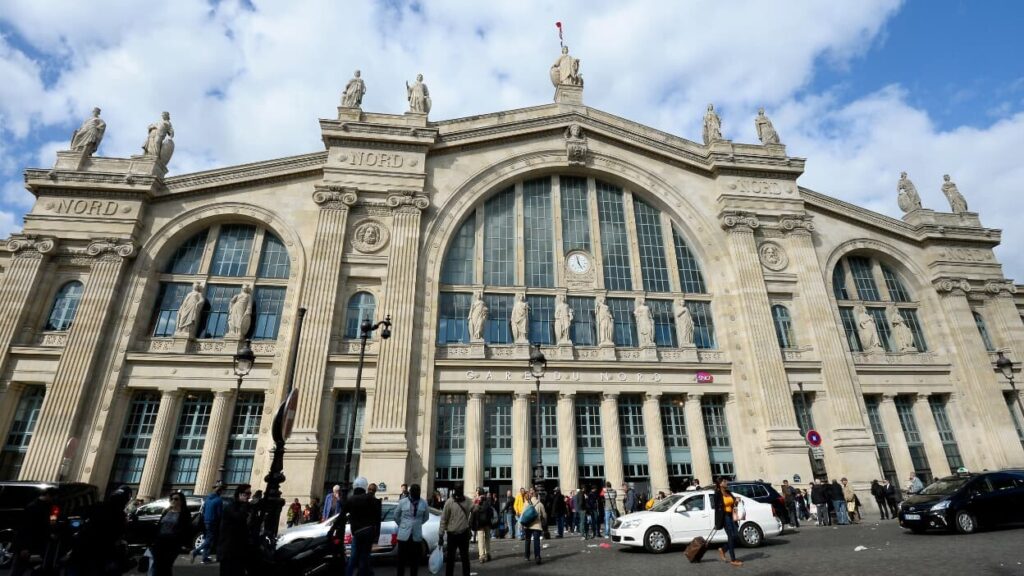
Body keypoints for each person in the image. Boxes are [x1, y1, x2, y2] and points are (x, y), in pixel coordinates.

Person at [10, 487, 56, 576]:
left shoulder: (47, 507)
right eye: (52, 497)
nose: (53, 500)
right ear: (47, 495)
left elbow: (48, 523)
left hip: (37, 544)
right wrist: (24, 547)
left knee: (34, 568)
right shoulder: (33, 507)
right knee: (19, 569)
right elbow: (24, 528)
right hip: (27, 544)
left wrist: (50, 532)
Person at [147, 491, 192, 576]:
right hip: (160, 541)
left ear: (181, 501)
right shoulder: (167, 511)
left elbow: (186, 529)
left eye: (176, 499)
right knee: (157, 564)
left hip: (173, 543)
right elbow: (160, 524)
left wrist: (182, 543)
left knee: (167, 565)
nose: (173, 501)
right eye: (171, 499)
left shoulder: (184, 513)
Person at [342, 477, 380, 576]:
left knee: (361, 556)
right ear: (366, 489)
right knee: (362, 556)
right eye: (370, 489)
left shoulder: (374, 501)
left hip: (362, 531)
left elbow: (377, 520)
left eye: (373, 490)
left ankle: (360, 573)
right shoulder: (369, 500)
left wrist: (377, 534)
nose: (371, 491)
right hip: (364, 531)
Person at [395, 483, 429, 576]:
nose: (416, 493)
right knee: (401, 561)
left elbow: (426, 517)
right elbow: (396, 515)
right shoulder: (403, 502)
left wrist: (417, 524)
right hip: (403, 536)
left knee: (414, 562)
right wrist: (402, 525)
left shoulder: (424, 503)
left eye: (418, 491)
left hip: (416, 536)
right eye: (414, 491)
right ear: (410, 492)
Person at [219, 484, 253, 576]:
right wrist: (244, 504)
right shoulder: (231, 507)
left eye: (250, 493)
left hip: (240, 548)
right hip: (229, 549)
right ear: (240, 494)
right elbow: (239, 518)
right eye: (247, 493)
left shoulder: (245, 506)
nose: (249, 496)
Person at [439, 483, 472, 576]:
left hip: (463, 533)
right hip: (452, 534)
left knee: (465, 558)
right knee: (450, 559)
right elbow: (443, 519)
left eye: (461, 488)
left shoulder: (468, 501)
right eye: (458, 488)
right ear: (454, 489)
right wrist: (440, 534)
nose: (460, 490)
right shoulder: (449, 502)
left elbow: (475, 509)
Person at [711, 478, 744, 567]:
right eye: (724, 481)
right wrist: (718, 521)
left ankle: (723, 549)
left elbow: (734, 505)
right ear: (720, 484)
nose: (726, 483)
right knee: (731, 536)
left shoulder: (728, 492)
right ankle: (733, 559)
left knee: (736, 536)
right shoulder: (717, 494)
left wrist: (736, 501)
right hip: (725, 517)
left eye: (726, 481)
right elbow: (717, 508)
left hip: (731, 515)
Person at [193, 483, 224, 564]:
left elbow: (204, 510)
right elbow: (219, 513)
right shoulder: (219, 500)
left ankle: (205, 557)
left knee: (208, 539)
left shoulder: (207, 499)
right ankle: (196, 551)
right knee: (209, 540)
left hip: (206, 521)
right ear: (220, 492)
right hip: (213, 522)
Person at [522, 489, 547, 565]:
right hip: (537, 526)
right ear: (536, 495)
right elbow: (544, 515)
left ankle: (527, 556)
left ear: (530, 494)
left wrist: (522, 525)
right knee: (536, 541)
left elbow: (523, 514)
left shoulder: (526, 503)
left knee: (527, 540)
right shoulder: (540, 504)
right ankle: (537, 556)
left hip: (528, 525)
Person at [470, 488, 493, 563]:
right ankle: (488, 553)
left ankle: (482, 556)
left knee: (480, 539)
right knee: (487, 538)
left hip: (479, 522)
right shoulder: (487, 499)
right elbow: (490, 510)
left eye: (477, 492)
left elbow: (473, 510)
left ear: (479, 493)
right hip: (487, 522)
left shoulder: (477, 500)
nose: (476, 493)